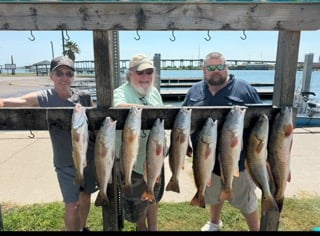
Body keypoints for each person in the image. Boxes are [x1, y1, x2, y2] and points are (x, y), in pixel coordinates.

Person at [0, 56, 98, 231]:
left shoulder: (84, 96)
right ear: (51, 76)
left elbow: (96, 124)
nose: (64, 77)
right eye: (59, 73)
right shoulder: (44, 96)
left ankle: (82, 228)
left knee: (85, 196)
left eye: (68, 73)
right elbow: (18, 101)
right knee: (71, 204)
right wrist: (3, 102)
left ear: (73, 77)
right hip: (65, 162)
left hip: (88, 158)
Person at [182, 52, 262, 231]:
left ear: (227, 67)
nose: (216, 71)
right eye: (211, 68)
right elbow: (183, 120)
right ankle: (214, 222)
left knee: (247, 201)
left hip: (238, 162)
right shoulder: (194, 91)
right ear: (204, 70)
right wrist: (185, 143)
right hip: (205, 160)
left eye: (220, 66)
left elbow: (262, 119)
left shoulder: (245, 89)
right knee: (214, 195)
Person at [113, 54, 165, 231]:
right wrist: (151, 110)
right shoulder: (121, 92)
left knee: (153, 197)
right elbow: (118, 106)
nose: (145, 77)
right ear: (130, 73)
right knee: (137, 211)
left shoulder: (155, 92)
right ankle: (141, 228)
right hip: (132, 164)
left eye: (149, 72)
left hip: (154, 159)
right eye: (140, 72)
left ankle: (154, 228)